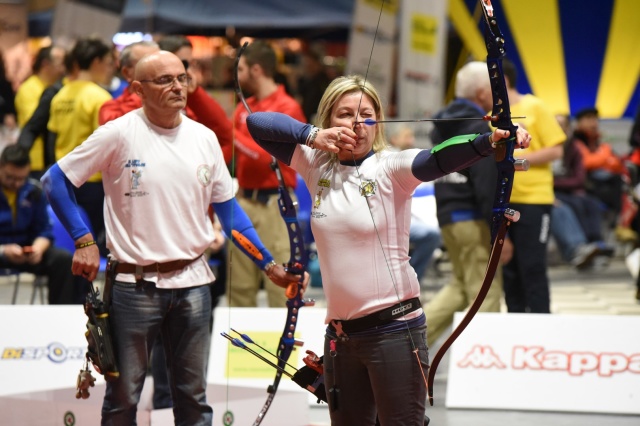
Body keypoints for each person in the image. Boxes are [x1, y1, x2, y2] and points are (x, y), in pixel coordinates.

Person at [245, 74, 531, 425]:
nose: (357, 122)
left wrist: (489, 140)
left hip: (394, 333)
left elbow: (438, 158)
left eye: (367, 114)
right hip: (340, 337)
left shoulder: (391, 166)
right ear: (328, 120)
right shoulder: (314, 162)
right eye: (345, 113)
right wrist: (312, 136)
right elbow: (255, 123)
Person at [41, 51, 304, 424]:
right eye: (164, 80)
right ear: (137, 89)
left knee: (194, 400)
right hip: (134, 285)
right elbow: (55, 181)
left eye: (181, 77)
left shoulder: (204, 138)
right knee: (123, 398)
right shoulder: (118, 133)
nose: (178, 86)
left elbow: (229, 213)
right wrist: (84, 240)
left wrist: (270, 265)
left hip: (194, 285)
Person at [425, 61, 507, 347]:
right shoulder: (478, 128)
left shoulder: (441, 126)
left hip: (449, 216)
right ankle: (482, 360)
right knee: (486, 291)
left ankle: (414, 342)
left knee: (460, 287)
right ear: (483, 92)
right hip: (472, 219)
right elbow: (486, 185)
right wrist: (498, 230)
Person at [228, 40, 307, 308]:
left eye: (240, 70)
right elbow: (232, 154)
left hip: (278, 205)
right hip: (244, 202)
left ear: (256, 70)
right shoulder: (243, 107)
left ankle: (283, 348)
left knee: (283, 285)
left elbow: (267, 158)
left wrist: (231, 135)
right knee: (239, 286)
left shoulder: (287, 108)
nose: (236, 78)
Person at [499, 59, 565, 314]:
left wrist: (515, 161)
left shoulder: (534, 106)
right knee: (509, 268)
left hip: (535, 201)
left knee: (533, 266)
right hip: (504, 202)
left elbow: (556, 149)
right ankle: (517, 326)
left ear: (503, 80)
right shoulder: (493, 114)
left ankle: (540, 324)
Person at [47, 37, 114, 258]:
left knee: (72, 246)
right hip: (92, 182)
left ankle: (76, 293)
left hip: (64, 180)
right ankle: (86, 293)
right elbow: (106, 143)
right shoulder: (100, 97)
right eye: (108, 61)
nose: (110, 67)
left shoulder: (60, 96)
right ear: (96, 61)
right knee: (91, 248)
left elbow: (53, 136)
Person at [0, 144, 81, 304]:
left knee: (63, 260)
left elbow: (44, 230)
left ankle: (60, 317)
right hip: (3, 252)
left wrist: (37, 248)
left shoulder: (34, 191)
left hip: (26, 252)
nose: (16, 184)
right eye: (10, 177)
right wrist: (3, 251)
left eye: (21, 179)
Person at [156, 35, 233, 151]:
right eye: (182, 63)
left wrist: (195, 93)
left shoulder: (190, 100)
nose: (187, 71)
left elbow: (225, 136)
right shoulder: (147, 101)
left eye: (191, 64)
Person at [388, 125, 441, 283]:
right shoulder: (388, 159)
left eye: (412, 136)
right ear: (394, 139)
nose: (411, 140)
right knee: (431, 234)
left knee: (434, 230)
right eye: (406, 136)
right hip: (391, 220)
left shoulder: (414, 159)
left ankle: (411, 278)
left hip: (414, 216)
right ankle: (411, 278)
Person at [17, 50, 77, 177]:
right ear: (46, 64)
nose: (63, 69)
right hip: (35, 160)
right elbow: (36, 123)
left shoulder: (57, 88)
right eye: (60, 64)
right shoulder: (29, 88)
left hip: (51, 158)